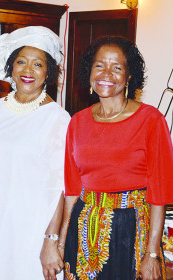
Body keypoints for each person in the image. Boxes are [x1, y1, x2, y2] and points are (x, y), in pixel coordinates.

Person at [51, 36, 173, 280]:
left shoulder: (151, 120)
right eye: (99, 65)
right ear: (89, 72)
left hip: (132, 229)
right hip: (83, 227)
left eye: (117, 67)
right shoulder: (77, 122)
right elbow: (72, 190)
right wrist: (61, 241)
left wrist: (152, 253)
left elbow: (159, 193)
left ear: (129, 77)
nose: (106, 73)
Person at [0, 26, 71, 280]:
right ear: (11, 67)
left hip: (32, 230)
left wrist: (51, 240)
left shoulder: (57, 118)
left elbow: (59, 187)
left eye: (38, 64)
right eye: (21, 62)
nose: (28, 71)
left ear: (48, 72)